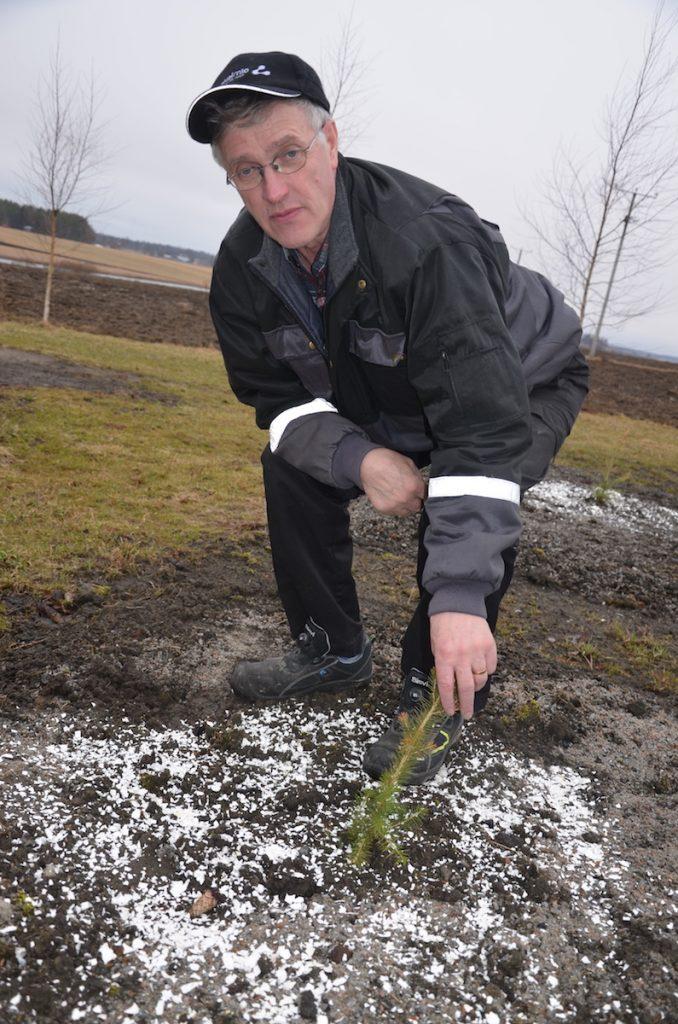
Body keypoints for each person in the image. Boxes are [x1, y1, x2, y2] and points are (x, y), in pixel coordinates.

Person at [186, 51, 589, 784]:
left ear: (330, 141)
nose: (274, 190)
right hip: (392, 394)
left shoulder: (424, 243)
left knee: (475, 491)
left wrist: (459, 595)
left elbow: (481, 431)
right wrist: (360, 458)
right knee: (294, 461)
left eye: (288, 155)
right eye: (247, 170)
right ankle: (331, 649)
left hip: (520, 383)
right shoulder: (242, 269)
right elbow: (278, 402)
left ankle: (438, 693)